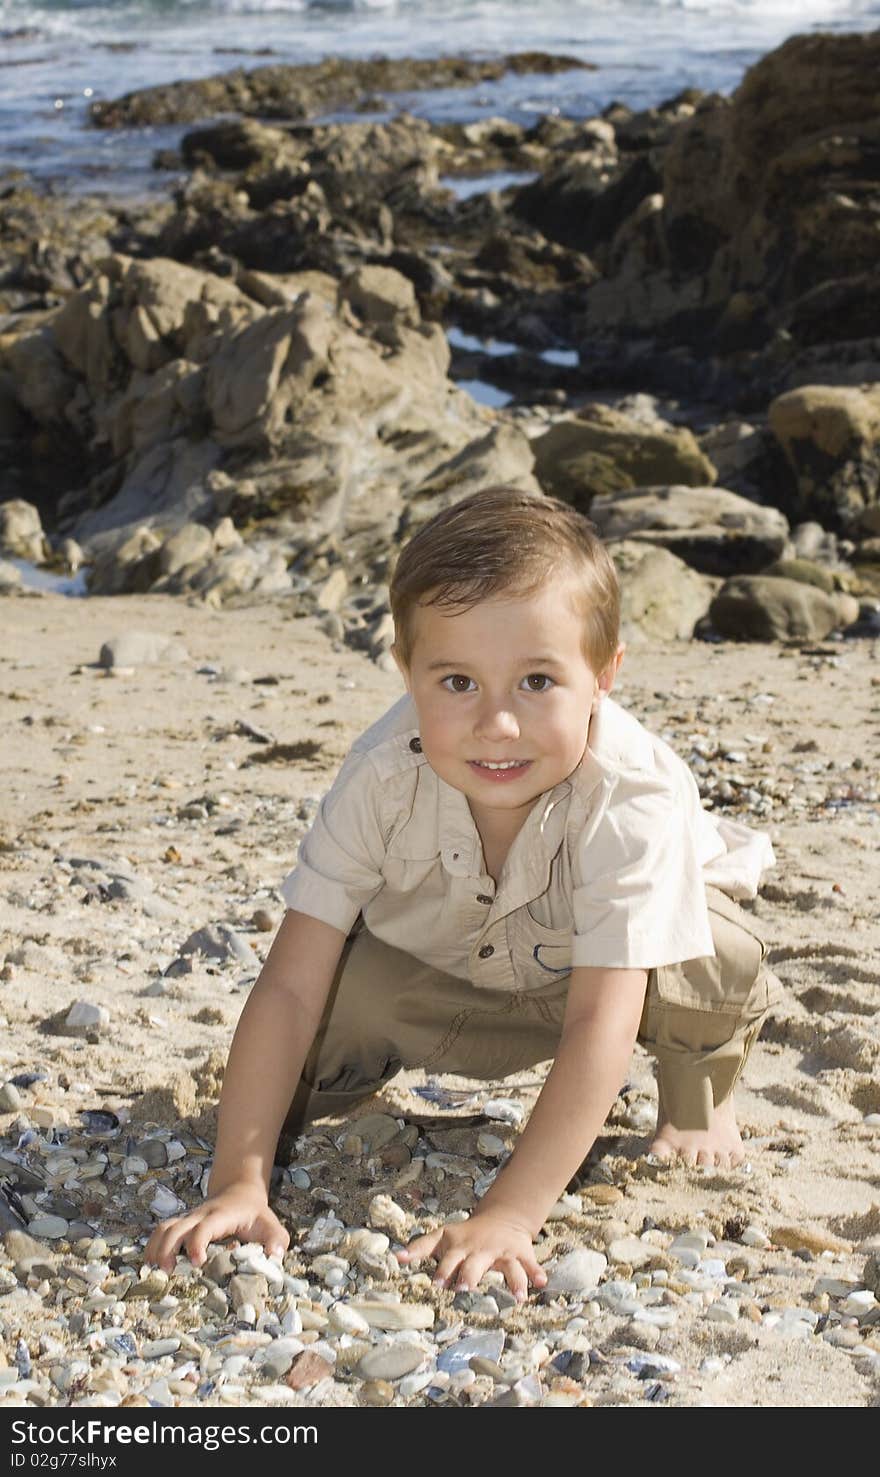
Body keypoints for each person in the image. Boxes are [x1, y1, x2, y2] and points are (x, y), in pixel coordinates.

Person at [145, 485, 779, 1300]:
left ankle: (697, 1092)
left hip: (608, 985)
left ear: (604, 676)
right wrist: (238, 1180)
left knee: (717, 957)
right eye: (457, 683)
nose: (498, 724)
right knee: (317, 1023)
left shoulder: (633, 796)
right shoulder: (382, 776)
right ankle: (313, 1101)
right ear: (408, 673)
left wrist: (509, 1215)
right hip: (442, 980)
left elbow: (600, 1020)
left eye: (538, 681)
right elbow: (291, 983)